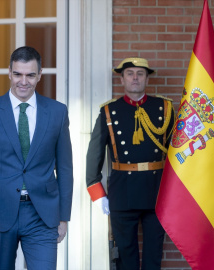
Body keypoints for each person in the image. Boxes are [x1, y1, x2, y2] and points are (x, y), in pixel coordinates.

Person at [0, 46, 73, 270]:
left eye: (30, 75)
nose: (23, 81)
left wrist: (64, 217)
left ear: (39, 75)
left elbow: (64, 168)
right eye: (18, 74)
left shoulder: (57, 112)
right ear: (9, 73)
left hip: (42, 214)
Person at [86, 57, 175, 269]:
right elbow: (94, 155)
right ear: (122, 79)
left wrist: (176, 191)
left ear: (146, 79)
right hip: (122, 191)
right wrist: (97, 193)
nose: (135, 78)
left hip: (157, 190)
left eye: (140, 74)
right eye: (130, 74)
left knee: (154, 254)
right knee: (126, 256)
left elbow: (176, 151)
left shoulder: (164, 108)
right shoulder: (109, 111)